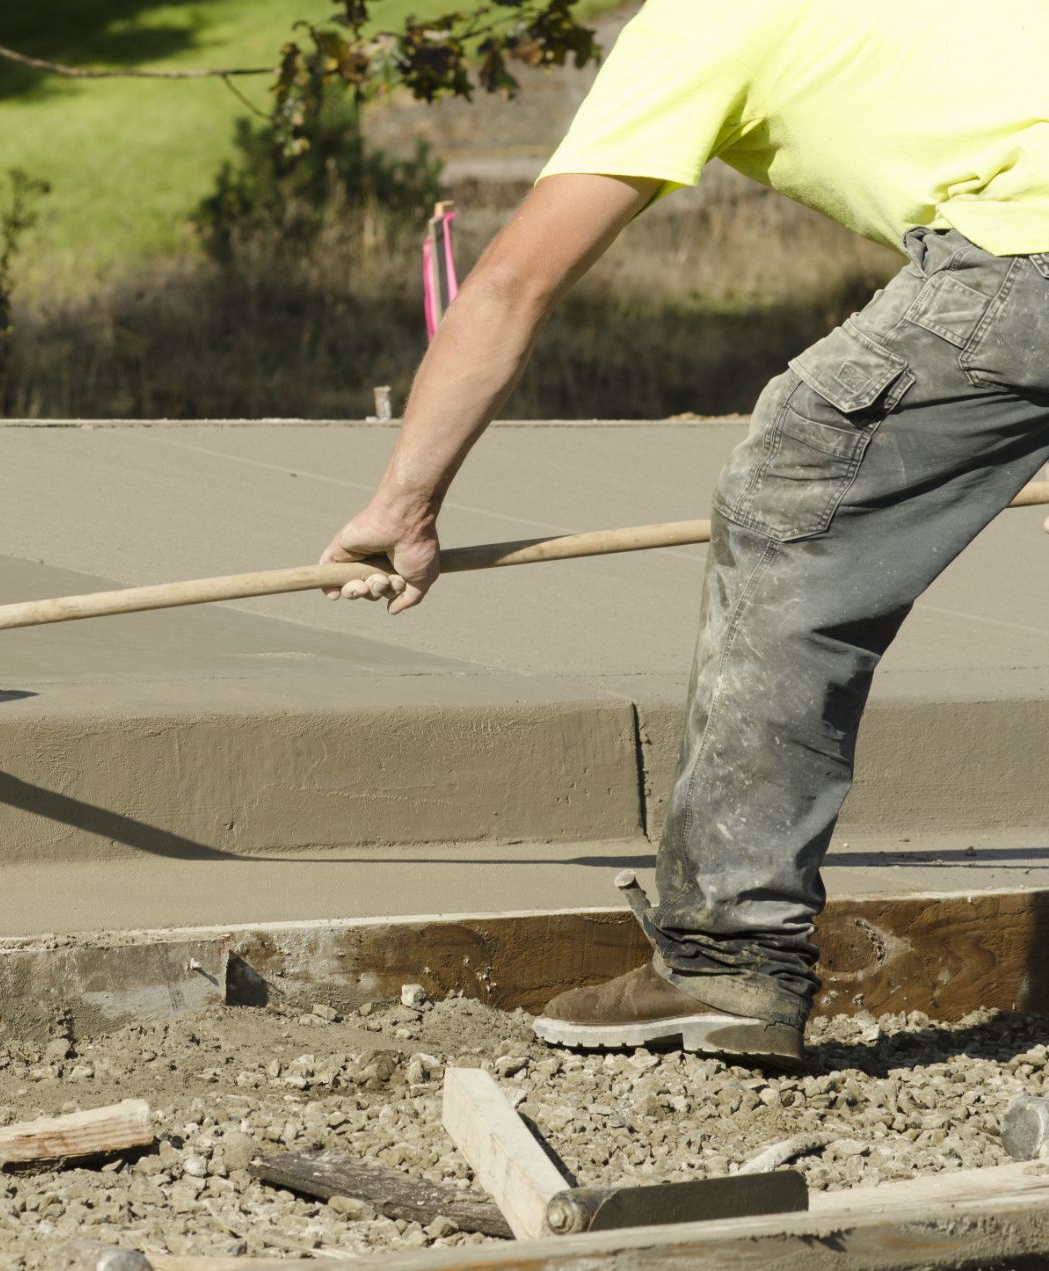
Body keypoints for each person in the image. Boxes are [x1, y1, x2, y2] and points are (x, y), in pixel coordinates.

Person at [319, 0, 1049, 1067]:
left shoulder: (699, 22)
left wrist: (405, 501)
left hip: (1018, 259)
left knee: (793, 498)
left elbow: (516, 278)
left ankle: (728, 952)